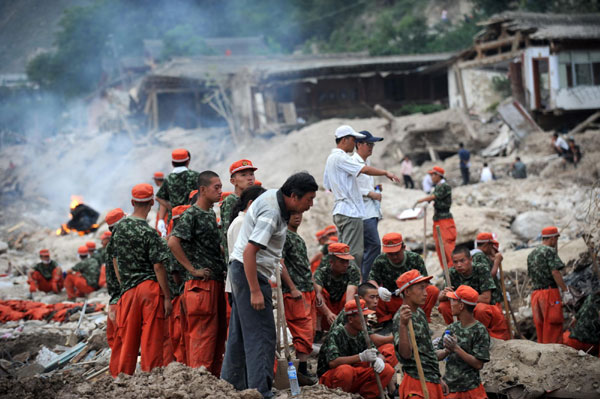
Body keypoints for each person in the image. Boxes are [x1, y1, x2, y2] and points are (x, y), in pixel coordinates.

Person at [221, 172, 318, 398]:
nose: (311, 205)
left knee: (239, 336)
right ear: (294, 196)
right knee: (263, 335)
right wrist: (255, 290)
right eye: (309, 199)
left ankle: (231, 385)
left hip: (242, 272)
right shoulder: (272, 214)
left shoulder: (276, 199)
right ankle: (261, 391)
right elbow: (249, 252)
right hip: (250, 274)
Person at [167, 171, 227, 375]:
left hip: (214, 283)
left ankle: (212, 384)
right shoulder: (191, 214)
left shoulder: (209, 214)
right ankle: (199, 384)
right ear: (202, 190)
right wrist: (192, 269)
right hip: (201, 286)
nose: (220, 191)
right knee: (203, 339)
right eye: (216, 187)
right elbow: (173, 241)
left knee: (216, 340)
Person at [109, 183, 172, 377]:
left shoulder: (118, 229)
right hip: (149, 289)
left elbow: (114, 260)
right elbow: (158, 266)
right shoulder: (149, 233)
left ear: (132, 202)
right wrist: (167, 296)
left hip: (127, 291)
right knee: (152, 338)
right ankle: (150, 379)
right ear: (152, 202)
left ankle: (120, 378)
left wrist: (123, 285)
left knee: (127, 339)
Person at [323, 125, 400, 271]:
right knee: (353, 254)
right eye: (353, 140)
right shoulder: (341, 157)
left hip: (341, 210)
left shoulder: (331, 158)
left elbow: (328, 185)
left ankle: (349, 286)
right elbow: (363, 170)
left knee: (344, 251)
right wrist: (385, 172)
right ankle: (354, 286)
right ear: (345, 140)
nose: (354, 144)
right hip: (351, 211)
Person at [317, 299, 395, 399]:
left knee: (387, 369)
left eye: (366, 317)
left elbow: (377, 352)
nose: (366, 320)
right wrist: (361, 357)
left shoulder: (362, 332)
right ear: (350, 319)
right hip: (334, 377)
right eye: (363, 317)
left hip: (355, 375)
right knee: (346, 371)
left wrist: (379, 359)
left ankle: (366, 396)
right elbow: (333, 362)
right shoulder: (337, 333)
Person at [279, 212, 318, 385]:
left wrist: (315, 289)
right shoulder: (284, 236)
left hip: (306, 290)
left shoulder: (297, 237)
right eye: (293, 213)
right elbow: (280, 263)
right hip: (295, 292)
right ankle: (300, 370)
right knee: (301, 330)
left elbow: (304, 266)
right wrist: (293, 288)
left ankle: (302, 368)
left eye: (300, 214)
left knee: (308, 331)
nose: (297, 217)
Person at [438, 246, 510, 340]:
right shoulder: (451, 273)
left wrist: (460, 296)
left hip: (483, 308)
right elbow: (441, 298)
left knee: (481, 309)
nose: (459, 265)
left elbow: (486, 298)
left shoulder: (481, 269)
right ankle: (458, 331)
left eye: (462, 261)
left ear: (470, 259)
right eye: (455, 262)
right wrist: (443, 294)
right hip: (463, 307)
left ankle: (481, 335)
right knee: (444, 306)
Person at [394, 270, 446, 398]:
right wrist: (403, 325)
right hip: (417, 381)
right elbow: (406, 354)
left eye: (425, 288)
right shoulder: (400, 318)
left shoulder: (420, 313)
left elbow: (427, 351)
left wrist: (437, 377)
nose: (425, 293)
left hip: (430, 378)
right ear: (407, 292)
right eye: (421, 288)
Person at [369, 233, 439, 323]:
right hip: (390, 298)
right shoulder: (380, 260)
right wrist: (379, 289)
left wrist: (407, 289)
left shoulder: (415, 258)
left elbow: (425, 282)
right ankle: (385, 322)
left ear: (404, 248)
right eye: (390, 254)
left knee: (432, 291)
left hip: (412, 296)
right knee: (372, 292)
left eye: (397, 253)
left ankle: (422, 319)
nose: (394, 257)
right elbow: (371, 280)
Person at [437, 285, 491, 398]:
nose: (450, 304)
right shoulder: (451, 328)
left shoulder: (479, 330)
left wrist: (456, 348)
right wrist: (446, 351)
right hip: (450, 389)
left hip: (471, 389)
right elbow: (435, 355)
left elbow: (478, 364)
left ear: (461, 306)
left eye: (453, 301)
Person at [527, 226, 571, 344]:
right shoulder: (549, 251)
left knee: (541, 327)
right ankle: (553, 358)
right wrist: (565, 290)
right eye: (556, 238)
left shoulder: (531, 254)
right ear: (552, 238)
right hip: (549, 293)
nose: (556, 241)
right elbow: (555, 272)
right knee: (553, 326)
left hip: (536, 295)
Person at [352, 130, 384, 281]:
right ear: (358, 144)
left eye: (372, 144)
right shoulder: (353, 162)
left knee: (369, 246)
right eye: (368, 144)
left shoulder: (367, 162)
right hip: (363, 212)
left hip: (371, 210)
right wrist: (370, 193)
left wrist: (374, 190)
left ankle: (367, 278)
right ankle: (366, 279)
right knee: (374, 245)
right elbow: (352, 185)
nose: (371, 147)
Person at [313, 242, 361, 332]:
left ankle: (348, 327)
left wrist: (343, 316)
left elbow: (350, 296)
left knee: (356, 293)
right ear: (331, 262)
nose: (346, 264)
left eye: (347, 261)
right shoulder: (322, 272)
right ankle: (317, 329)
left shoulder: (352, 271)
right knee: (317, 293)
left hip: (343, 311)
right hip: (326, 312)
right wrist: (328, 313)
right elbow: (317, 294)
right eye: (342, 261)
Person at [416, 166, 456, 268]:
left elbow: (434, 196)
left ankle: (453, 269)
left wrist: (422, 200)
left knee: (447, 245)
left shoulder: (444, 186)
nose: (431, 177)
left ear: (438, 175)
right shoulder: (438, 186)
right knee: (439, 246)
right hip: (438, 219)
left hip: (445, 220)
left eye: (433, 175)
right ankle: (446, 270)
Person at [165, 204, 190, 365]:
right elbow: (175, 276)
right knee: (181, 336)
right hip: (179, 294)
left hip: (179, 294)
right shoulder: (178, 241)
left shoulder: (171, 240)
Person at [156, 149, 200, 237]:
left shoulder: (168, 179)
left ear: (172, 163)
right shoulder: (196, 176)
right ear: (188, 161)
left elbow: (159, 197)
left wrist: (171, 207)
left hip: (174, 219)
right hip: (193, 218)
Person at [220, 159, 257, 261]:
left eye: (251, 174)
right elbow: (229, 233)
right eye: (243, 175)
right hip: (238, 258)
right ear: (233, 181)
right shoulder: (231, 201)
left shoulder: (250, 201)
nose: (249, 178)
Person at [103, 208, 125, 353]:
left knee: (117, 345)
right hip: (122, 301)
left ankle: (118, 374)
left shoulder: (110, 247)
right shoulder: (122, 245)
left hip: (114, 302)